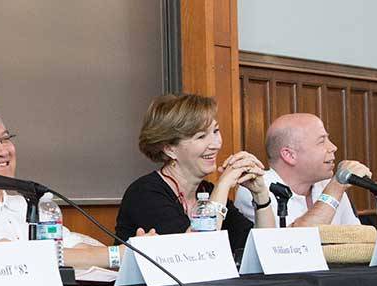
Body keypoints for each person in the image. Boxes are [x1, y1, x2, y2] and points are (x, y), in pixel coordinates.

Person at [0, 102, 129, 270]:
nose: (2, 150)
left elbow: (75, 247)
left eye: (5, 139)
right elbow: (15, 259)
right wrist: (117, 255)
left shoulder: (23, 204)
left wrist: (133, 253)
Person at [116, 93, 275, 249]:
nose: (216, 144)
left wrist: (261, 195)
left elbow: (262, 249)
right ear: (170, 149)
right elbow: (198, 253)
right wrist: (223, 184)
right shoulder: (145, 193)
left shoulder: (207, 190)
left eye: (215, 131)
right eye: (200, 137)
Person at [234, 113, 367, 227]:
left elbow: (357, 239)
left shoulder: (328, 185)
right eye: (321, 141)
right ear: (289, 155)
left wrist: (335, 187)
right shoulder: (257, 187)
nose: (333, 147)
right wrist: (336, 187)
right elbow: (288, 246)